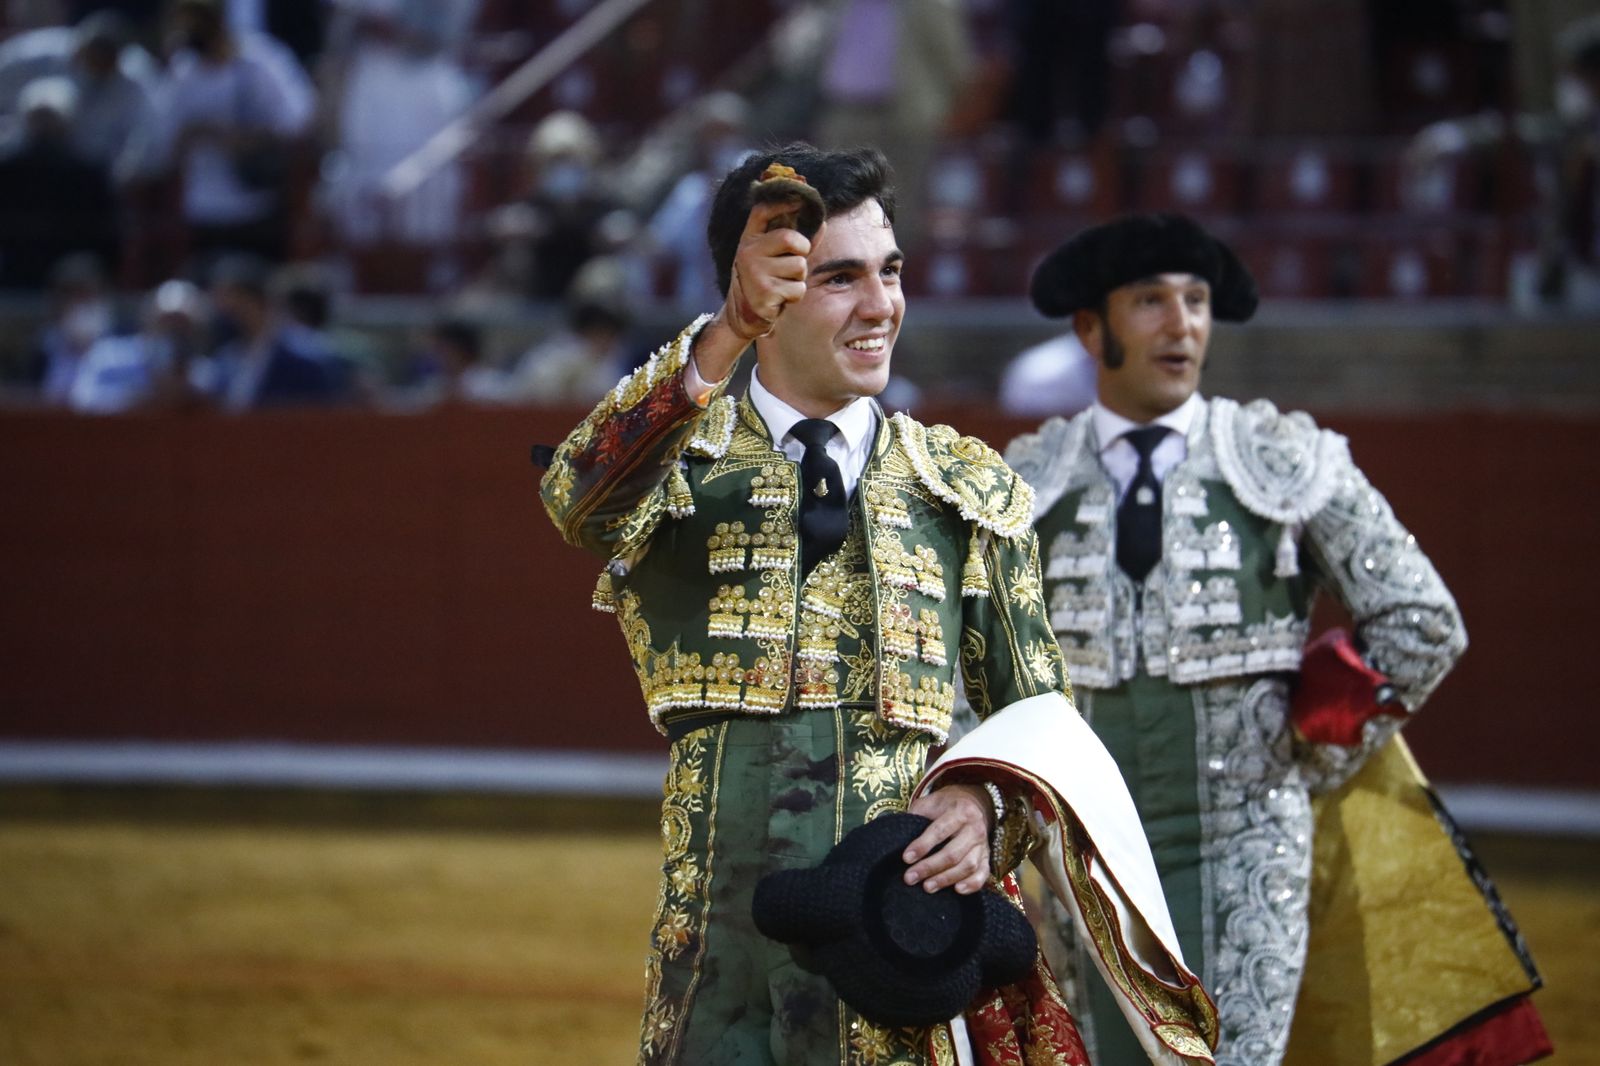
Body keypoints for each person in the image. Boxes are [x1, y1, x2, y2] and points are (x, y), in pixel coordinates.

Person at [539, 146, 1219, 1065]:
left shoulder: (963, 487)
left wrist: (983, 809)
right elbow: (576, 500)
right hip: (717, 964)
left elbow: (1041, 723)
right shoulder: (683, 464)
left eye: (890, 272)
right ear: (761, 294)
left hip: (900, 954)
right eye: (839, 279)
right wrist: (721, 337)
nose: (880, 306)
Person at [1003, 213, 1548, 1066]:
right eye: (1150, 302)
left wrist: (1312, 746)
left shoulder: (1283, 459)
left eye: (1196, 301)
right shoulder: (1023, 485)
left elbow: (1422, 621)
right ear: (1090, 328)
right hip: (1086, 854)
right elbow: (971, 665)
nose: (1182, 325)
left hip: (1246, 842)